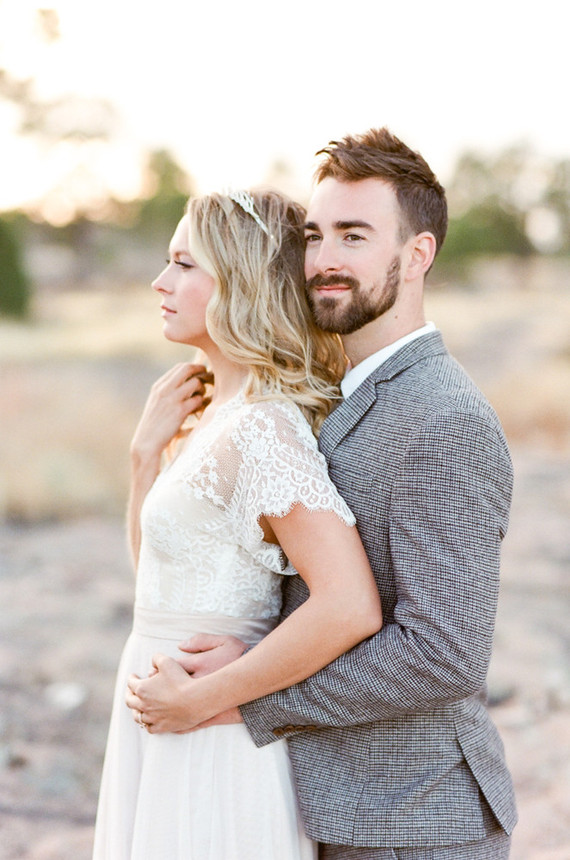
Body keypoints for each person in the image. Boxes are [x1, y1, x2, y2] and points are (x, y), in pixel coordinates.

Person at [129, 129, 518, 859]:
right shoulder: (330, 396)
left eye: (355, 235)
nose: (325, 259)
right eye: (314, 235)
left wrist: (238, 698)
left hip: (414, 821)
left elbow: (442, 655)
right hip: (325, 807)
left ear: (417, 255)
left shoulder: (445, 420)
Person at [92, 189, 383, 859]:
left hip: (211, 735)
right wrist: (143, 461)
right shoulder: (214, 416)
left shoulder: (263, 429)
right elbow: (159, 589)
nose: (161, 282)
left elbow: (349, 604)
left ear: (239, 281)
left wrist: (203, 702)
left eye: (184, 264)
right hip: (163, 711)